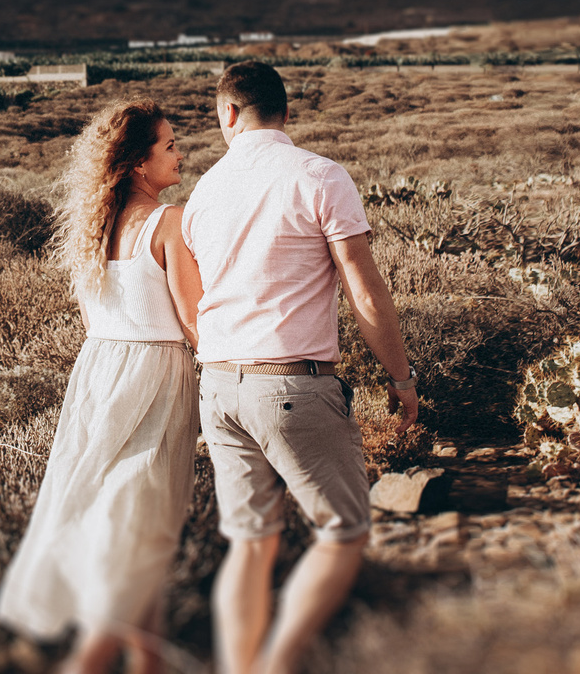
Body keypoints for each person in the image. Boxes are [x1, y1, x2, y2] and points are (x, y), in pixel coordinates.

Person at [171, 61, 418, 674]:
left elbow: (195, 299)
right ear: (286, 110)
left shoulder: (203, 191)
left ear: (228, 113)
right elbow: (365, 293)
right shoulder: (319, 176)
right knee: (344, 532)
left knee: (250, 544)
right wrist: (402, 379)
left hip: (219, 386)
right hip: (289, 385)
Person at [0, 99, 206, 674]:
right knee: (139, 537)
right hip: (155, 385)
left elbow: (98, 324)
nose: (179, 153)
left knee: (130, 539)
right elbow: (194, 324)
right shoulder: (169, 222)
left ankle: (147, 662)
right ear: (139, 162)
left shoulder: (93, 228)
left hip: (98, 382)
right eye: (168, 145)